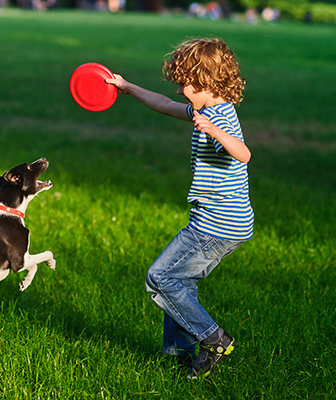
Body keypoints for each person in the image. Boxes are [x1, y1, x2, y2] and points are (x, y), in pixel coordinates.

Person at [105, 37, 253, 379]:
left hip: (217, 226)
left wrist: (215, 131)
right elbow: (163, 104)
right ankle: (180, 353)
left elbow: (244, 154)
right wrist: (127, 87)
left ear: (210, 83)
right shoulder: (206, 109)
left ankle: (214, 339)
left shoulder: (221, 120)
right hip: (222, 222)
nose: (182, 91)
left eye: (188, 84)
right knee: (181, 282)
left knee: (160, 277)